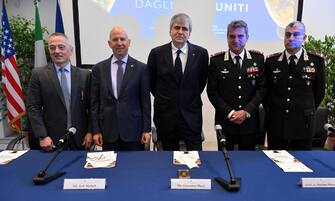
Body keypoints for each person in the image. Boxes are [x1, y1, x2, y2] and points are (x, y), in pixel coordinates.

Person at [147, 13, 209, 151]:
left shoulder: (201, 54)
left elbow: (201, 83)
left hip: (191, 116)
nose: (180, 32)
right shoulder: (156, 53)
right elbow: (152, 84)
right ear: (170, 31)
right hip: (165, 116)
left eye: (184, 29)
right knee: (168, 159)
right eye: (176, 28)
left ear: (190, 33)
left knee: (196, 158)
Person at [264, 21, 325, 150]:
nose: (290, 38)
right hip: (277, 124)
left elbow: (319, 93)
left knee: (302, 165)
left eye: (296, 35)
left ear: (304, 38)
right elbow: (266, 94)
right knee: (275, 164)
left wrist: (305, 110)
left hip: (303, 125)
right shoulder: (271, 62)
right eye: (287, 35)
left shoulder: (316, 61)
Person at [27, 32, 93, 151]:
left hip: (81, 139)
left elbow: (92, 107)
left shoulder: (85, 75)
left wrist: (90, 132)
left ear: (71, 50)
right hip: (51, 140)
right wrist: (42, 136)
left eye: (61, 47)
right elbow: (33, 108)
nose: (57, 51)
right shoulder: (38, 75)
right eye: (52, 48)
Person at [207, 20, 266, 150]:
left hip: (249, 122)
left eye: (240, 36)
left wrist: (246, 111)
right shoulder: (216, 61)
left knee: (247, 162)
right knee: (224, 161)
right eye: (232, 36)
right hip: (225, 121)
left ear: (247, 37)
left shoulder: (258, 59)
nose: (236, 40)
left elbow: (262, 89)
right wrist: (230, 113)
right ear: (227, 38)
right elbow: (212, 92)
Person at [90, 26, 151, 151]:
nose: (119, 43)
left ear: (129, 43)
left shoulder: (141, 69)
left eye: (122, 39)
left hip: (134, 132)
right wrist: (95, 131)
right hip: (107, 132)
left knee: (133, 168)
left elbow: (145, 102)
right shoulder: (98, 69)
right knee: (109, 169)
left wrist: (146, 129)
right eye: (115, 39)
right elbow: (94, 104)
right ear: (109, 43)